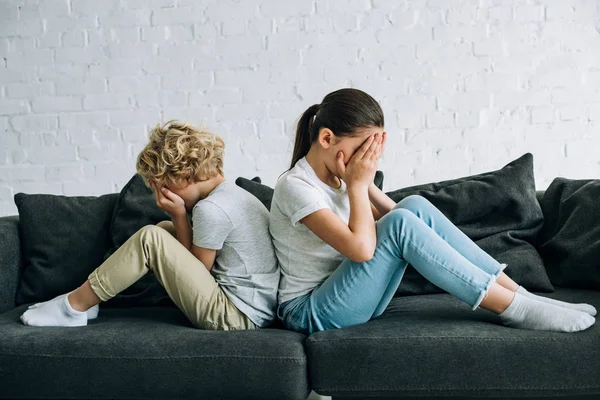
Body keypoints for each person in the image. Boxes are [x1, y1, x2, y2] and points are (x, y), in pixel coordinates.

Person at [269, 88, 596, 335]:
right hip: (312, 312)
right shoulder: (296, 187)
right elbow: (362, 248)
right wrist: (357, 185)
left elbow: (405, 220)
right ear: (326, 138)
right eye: (360, 151)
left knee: (412, 207)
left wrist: (363, 185)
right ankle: (513, 308)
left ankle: (519, 293)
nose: (364, 161)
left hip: (350, 295)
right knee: (399, 221)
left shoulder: (339, 178)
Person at [21, 120, 280, 330]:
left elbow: (200, 272)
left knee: (151, 239)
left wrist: (179, 215)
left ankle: (74, 306)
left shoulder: (211, 209)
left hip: (236, 317)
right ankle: (87, 300)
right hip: (252, 309)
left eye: (164, 184)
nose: (163, 193)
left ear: (184, 175)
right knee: (165, 231)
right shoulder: (233, 195)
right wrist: (177, 218)